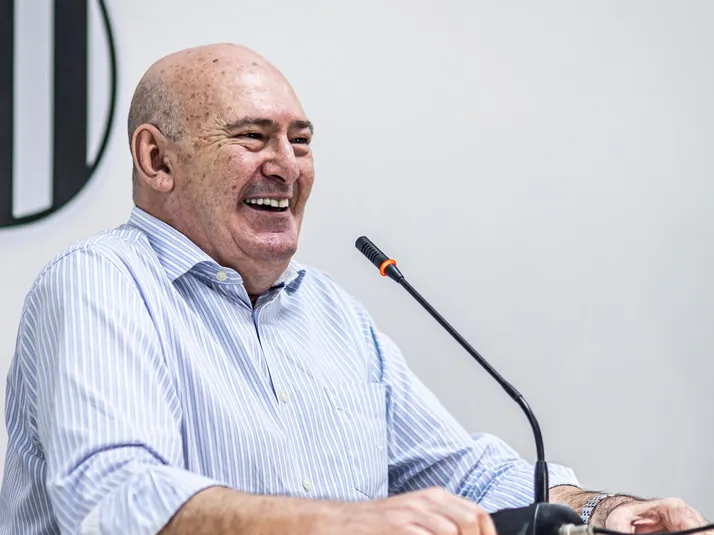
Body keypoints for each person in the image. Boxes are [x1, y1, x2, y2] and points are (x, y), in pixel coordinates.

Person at [0, 43, 709, 535]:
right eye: (253, 137)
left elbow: (463, 472)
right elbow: (116, 499)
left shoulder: (328, 310)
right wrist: (347, 520)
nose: (287, 166)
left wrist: (601, 509)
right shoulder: (99, 285)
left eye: (301, 141)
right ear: (157, 159)